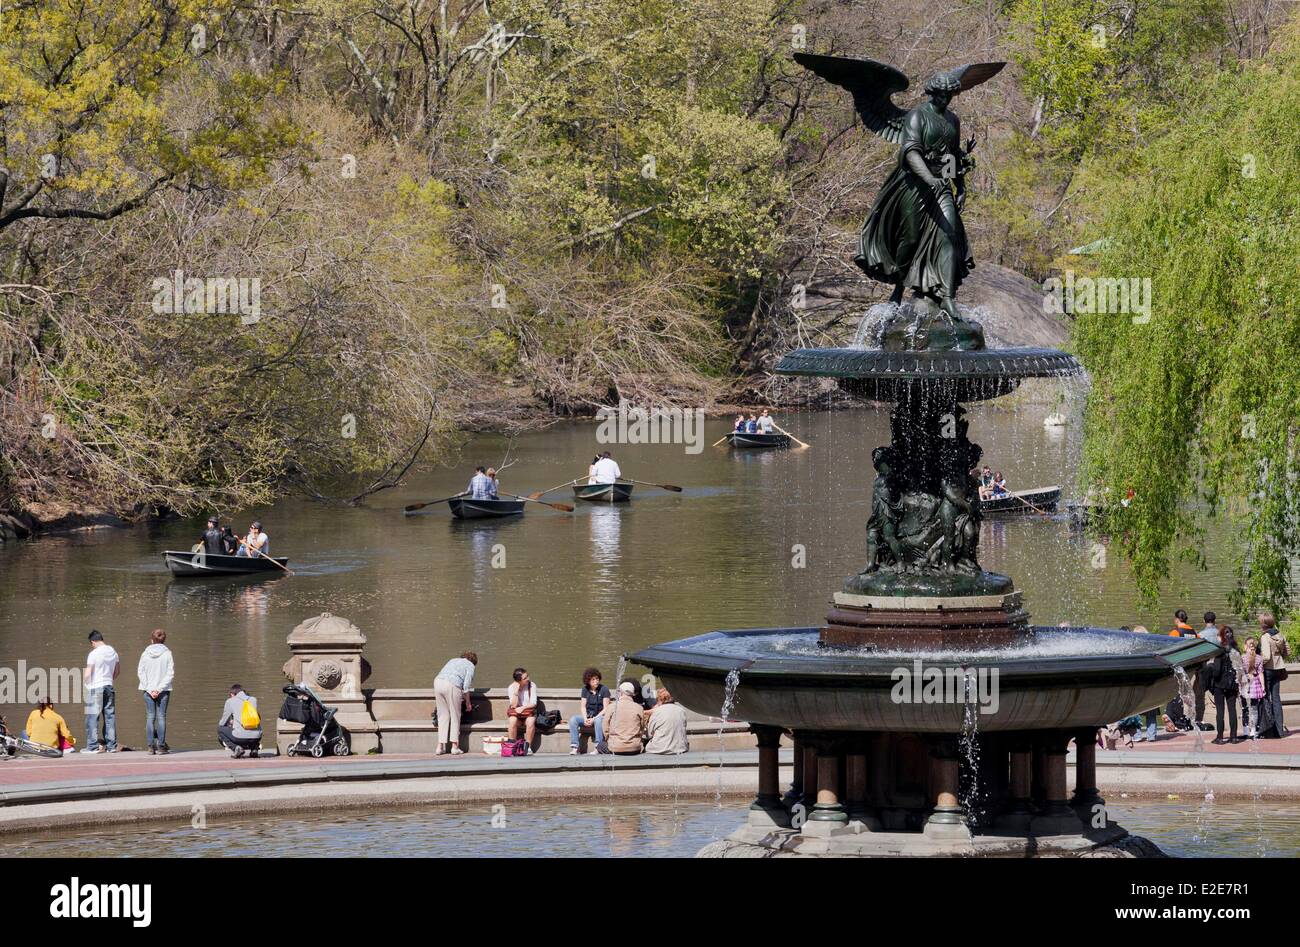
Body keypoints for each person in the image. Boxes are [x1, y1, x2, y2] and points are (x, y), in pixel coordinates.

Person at [137, 628, 175, 755]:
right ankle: (161, 746)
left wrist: (149, 688)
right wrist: (159, 689)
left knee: (150, 717)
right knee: (161, 717)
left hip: (148, 690)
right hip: (163, 690)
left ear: (151, 640)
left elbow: (140, 672)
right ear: (164, 640)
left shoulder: (145, 653)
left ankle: (150, 746)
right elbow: (170, 674)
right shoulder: (167, 653)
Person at [83, 629, 120, 753]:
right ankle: (111, 746)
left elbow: (88, 673)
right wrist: (109, 679)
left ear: (93, 642)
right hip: (109, 686)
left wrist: (86, 683)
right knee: (110, 717)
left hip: (95, 687)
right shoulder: (113, 652)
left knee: (92, 718)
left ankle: (92, 747)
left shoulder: (93, 654)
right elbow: (117, 671)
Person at [434, 651, 477, 754]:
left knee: (442, 715)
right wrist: (468, 702)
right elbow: (466, 686)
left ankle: (440, 747)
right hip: (452, 685)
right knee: (455, 716)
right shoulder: (470, 665)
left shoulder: (452, 660)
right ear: (474, 661)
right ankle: (455, 746)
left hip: (438, 682)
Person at [1259, 612, 1289, 739]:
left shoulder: (1265, 637)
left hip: (1268, 669)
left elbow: (1266, 656)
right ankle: (1279, 730)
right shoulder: (1279, 634)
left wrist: (1256, 661)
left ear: (1264, 625)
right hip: (1279, 668)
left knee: (1265, 697)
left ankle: (1268, 729)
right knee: (1276, 699)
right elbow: (1287, 651)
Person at [568, 667, 612, 755]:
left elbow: (606, 708)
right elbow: (583, 706)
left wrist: (594, 718)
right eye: (593, 679)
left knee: (598, 720)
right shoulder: (585, 689)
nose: (596, 681)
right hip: (588, 716)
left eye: (597, 679)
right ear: (588, 681)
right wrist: (585, 718)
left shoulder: (604, 689)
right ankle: (575, 747)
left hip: (600, 716)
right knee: (573, 719)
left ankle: (598, 747)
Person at [1208, 626, 1240, 744]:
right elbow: (1238, 668)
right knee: (1232, 710)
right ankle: (1234, 736)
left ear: (1221, 636)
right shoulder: (1236, 649)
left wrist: (1211, 675)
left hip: (1220, 684)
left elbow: (1216, 670)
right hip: (1232, 684)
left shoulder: (1220, 650)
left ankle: (1220, 737)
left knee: (1220, 711)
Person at [217, 683, 262, 758]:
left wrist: (231, 724)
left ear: (232, 694)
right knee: (254, 728)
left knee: (220, 729)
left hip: (240, 737)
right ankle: (254, 749)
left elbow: (222, 722)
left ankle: (236, 748)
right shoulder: (253, 699)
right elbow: (257, 717)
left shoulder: (230, 701)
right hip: (257, 737)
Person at [603, 681, 646, 755]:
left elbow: (605, 727)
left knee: (600, 745)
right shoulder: (639, 708)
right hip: (634, 748)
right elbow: (642, 728)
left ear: (621, 692)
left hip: (615, 748)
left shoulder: (612, 707)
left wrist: (608, 739)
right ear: (632, 694)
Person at [644, 688, 689, 754]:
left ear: (660, 700)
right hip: (680, 748)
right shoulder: (681, 711)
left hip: (659, 749)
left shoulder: (656, 712)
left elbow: (649, 734)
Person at [506, 667, 537, 751]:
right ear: (519, 681)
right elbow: (513, 705)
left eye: (527, 676)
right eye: (525, 678)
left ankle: (528, 747)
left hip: (529, 713)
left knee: (530, 722)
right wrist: (516, 692)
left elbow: (533, 703)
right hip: (517, 715)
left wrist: (522, 708)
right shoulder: (511, 687)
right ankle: (512, 746)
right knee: (512, 720)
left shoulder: (532, 685)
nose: (528, 679)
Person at [1242, 636, 1266, 738]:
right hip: (1255, 684)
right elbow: (1261, 673)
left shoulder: (1242, 658)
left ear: (1245, 647)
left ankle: (1246, 729)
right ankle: (1253, 729)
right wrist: (1263, 686)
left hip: (1245, 684)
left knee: (1245, 708)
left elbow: (1240, 673)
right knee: (1254, 708)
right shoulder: (1259, 658)